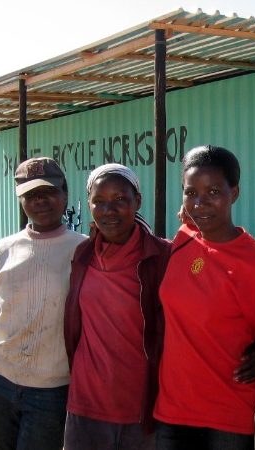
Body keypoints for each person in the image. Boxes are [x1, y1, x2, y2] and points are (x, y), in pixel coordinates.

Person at [0, 157, 87, 449]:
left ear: (65, 193)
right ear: (20, 200)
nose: (40, 200)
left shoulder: (83, 251)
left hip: (52, 392)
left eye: (49, 192)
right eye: (30, 194)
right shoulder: (4, 250)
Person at [154, 145, 255, 450]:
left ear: (234, 193)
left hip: (228, 417)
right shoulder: (183, 240)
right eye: (190, 192)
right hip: (173, 411)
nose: (200, 204)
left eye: (213, 192)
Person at [63, 163, 170, 450]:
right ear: (89, 205)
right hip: (86, 407)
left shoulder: (162, 257)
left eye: (120, 200)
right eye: (99, 201)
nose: (109, 210)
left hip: (142, 408)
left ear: (138, 201)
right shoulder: (83, 255)